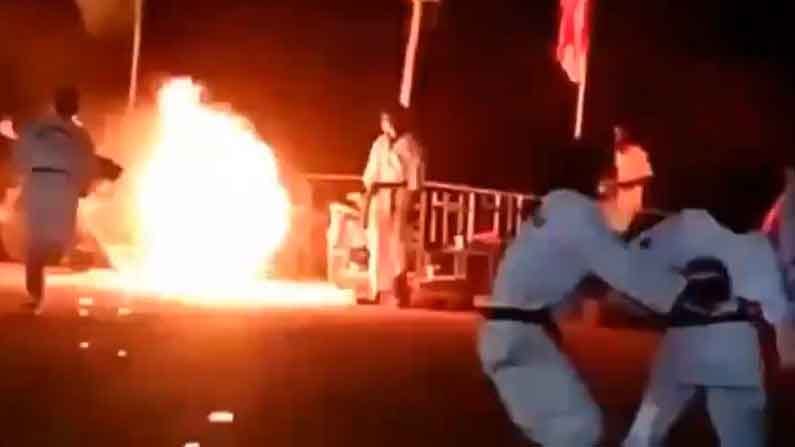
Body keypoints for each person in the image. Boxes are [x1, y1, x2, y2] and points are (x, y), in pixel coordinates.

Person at [477, 143, 693, 446]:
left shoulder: (561, 209)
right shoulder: (577, 216)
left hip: (516, 337)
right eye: (632, 187)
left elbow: (611, 282)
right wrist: (690, 296)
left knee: (572, 427)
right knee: (578, 428)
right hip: (518, 340)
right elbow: (630, 273)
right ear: (603, 184)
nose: (637, 201)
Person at [621, 207, 788, 447]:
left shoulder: (686, 225)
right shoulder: (759, 247)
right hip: (737, 349)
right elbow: (776, 312)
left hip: (684, 343)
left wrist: (671, 294)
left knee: (644, 434)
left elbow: (634, 260)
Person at [11, 86, 97, 313]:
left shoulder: (36, 127)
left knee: (36, 244)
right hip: (62, 187)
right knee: (56, 238)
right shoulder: (79, 134)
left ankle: (36, 293)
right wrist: (84, 186)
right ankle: (65, 259)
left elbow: (20, 157)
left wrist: (23, 178)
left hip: (39, 184)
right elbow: (87, 162)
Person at [361, 105, 424, 306]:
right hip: (379, 196)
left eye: (390, 119)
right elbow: (370, 174)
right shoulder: (379, 144)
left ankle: (400, 291)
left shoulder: (410, 144)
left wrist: (411, 199)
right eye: (385, 120)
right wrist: (367, 198)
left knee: (398, 243)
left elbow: (415, 175)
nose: (388, 124)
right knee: (376, 242)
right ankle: (376, 292)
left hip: (400, 194)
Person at [610, 125, 653, 232]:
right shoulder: (612, 155)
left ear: (626, 136)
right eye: (614, 135)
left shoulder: (639, 153)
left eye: (618, 135)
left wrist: (626, 184)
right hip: (613, 209)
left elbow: (647, 177)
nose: (616, 138)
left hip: (632, 209)